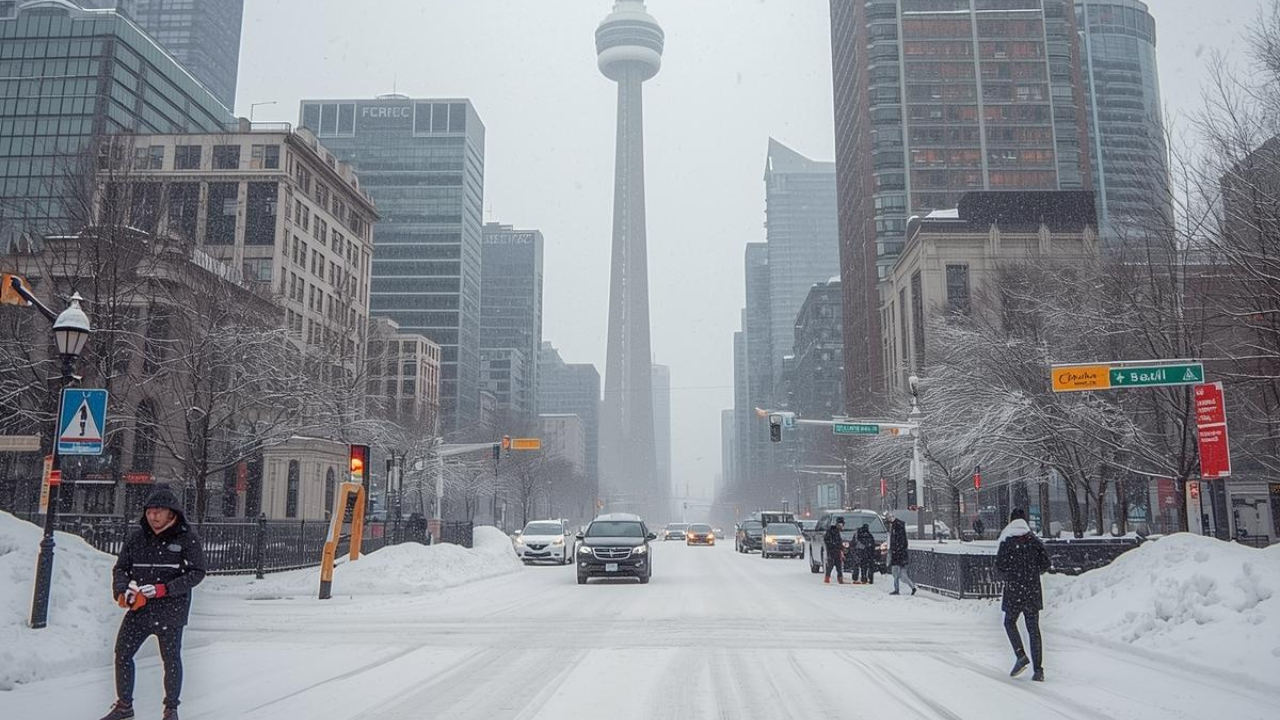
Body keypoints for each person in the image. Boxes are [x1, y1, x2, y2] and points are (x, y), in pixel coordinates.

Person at [99, 486, 206, 720]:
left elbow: (197, 572)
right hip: (140, 609)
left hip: (171, 610)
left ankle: (171, 709)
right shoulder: (137, 538)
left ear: (172, 513)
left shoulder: (186, 538)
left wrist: (165, 589)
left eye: (158, 511)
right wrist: (122, 590)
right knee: (123, 653)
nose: (153, 516)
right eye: (149, 511)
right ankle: (124, 704)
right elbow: (121, 568)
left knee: (170, 659)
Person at [995, 508, 1050, 683]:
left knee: (1009, 622)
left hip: (1014, 590)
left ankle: (1020, 655)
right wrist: (1032, 573)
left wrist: (1012, 574)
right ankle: (1038, 670)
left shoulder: (1007, 541)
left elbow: (999, 566)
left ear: (1011, 522)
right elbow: (1046, 564)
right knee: (1033, 629)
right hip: (1032, 590)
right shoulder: (1034, 541)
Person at [886, 513, 916, 596]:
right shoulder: (900, 526)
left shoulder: (896, 527)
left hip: (897, 554)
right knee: (903, 574)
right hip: (902, 554)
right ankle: (912, 586)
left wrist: (894, 551)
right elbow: (903, 542)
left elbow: (896, 542)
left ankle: (897, 589)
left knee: (895, 573)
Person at [822, 517, 847, 584]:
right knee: (830, 565)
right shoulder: (831, 530)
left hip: (837, 552)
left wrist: (842, 548)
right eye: (840, 525)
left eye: (842, 525)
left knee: (839, 567)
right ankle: (827, 578)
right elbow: (826, 540)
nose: (841, 526)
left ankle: (840, 579)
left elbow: (839, 542)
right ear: (837, 524)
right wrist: (832, 545)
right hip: (831, 551)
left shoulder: (838, 532)